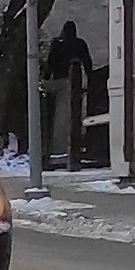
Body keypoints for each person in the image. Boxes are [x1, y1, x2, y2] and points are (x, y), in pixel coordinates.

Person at [40, 21, 95, 170]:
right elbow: (87, 62)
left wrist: (45, 78)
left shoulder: (57, 43)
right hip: (70, 82)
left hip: (59, 79)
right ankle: (65, 150)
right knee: (69, 116)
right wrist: (91, 79)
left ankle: (54, 151)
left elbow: (51, 62)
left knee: (59, 118)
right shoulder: (79, 44)